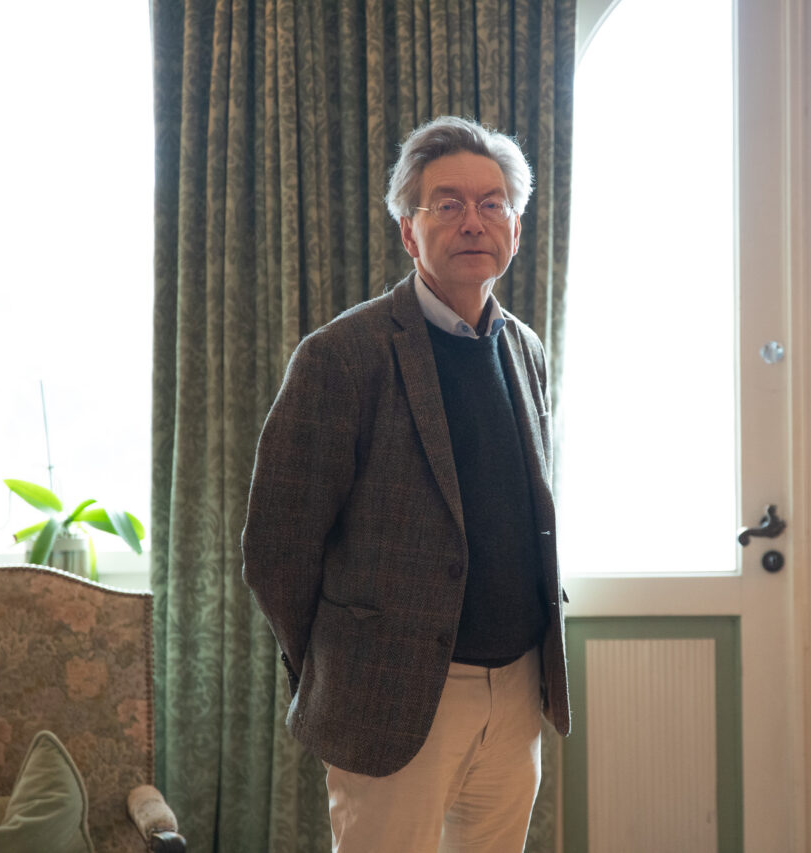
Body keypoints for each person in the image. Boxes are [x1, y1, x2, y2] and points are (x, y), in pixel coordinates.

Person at [241, 115, 570, 852]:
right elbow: (276, 549)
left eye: (492, 204)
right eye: (446, 203)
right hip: (391, 694)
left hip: (518, 687)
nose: (473, 221)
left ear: (516, 228)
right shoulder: (340, 357)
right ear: (408, 232)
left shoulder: (525, 349)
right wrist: (342, 662)